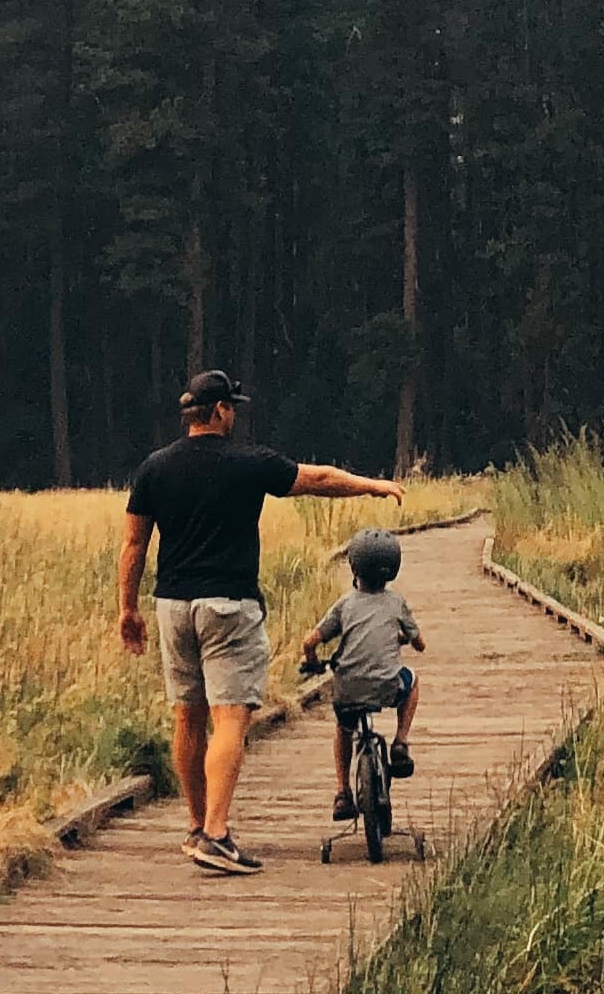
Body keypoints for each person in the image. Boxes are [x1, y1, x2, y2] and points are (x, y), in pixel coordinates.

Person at [119, 371, 402, 877]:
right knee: (231, 718)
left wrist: (128, 609)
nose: (236, 416)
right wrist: (371, 487)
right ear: (221, 410)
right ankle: (217, 833)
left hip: (172, 607)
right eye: (233, 407)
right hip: (229, 605)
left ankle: (196, 824)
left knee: (188, 716)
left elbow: (134, 545)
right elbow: (316, 480)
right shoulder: (248, 462)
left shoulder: (154, 468)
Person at [300, 529, 426, 821]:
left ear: (354, 567)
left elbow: (310, 641)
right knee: (413, 680)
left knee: (344, 729)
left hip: (348, 689)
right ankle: (400, 742)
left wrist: (312, 662)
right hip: (387, 686)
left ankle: (343, 792)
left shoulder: (345, 605)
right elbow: (419, 644)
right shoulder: (396, 602)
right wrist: (402, 639)